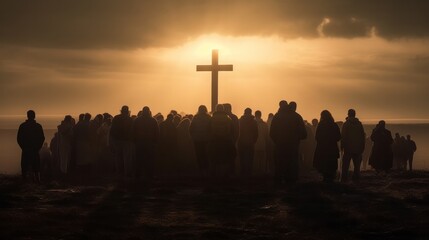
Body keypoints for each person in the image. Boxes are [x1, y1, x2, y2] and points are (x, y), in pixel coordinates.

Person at [270, 100, 307, 184]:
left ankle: (278, 181)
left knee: (279, 164)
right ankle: (291, 182)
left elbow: (271, 133)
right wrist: (296, 139)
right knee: (292, 164)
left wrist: (277, 141)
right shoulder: (297, 117)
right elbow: (304, 134)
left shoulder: (277, 116)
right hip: (293, 146)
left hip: (280, 145)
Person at [313, 110, 341, 183]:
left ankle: (325, 178)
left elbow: (316, 137)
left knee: (323, 164)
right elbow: (338, 137)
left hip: (322, 149)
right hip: (332, 148)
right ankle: (331, 178)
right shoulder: (334, 125)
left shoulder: (320, 125)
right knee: (332, 164)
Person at [17, 110, 45, 182]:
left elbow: (19, 138)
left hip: (26, 150)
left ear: (27, 116)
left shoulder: (23, 126)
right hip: (34, 149)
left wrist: (23, 147)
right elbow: (42, 138)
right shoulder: (38, 126)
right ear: (34, 116)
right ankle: (37, 181)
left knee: (25, 166)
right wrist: (38, 147)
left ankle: (24, 180)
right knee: (36, 166)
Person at [133, 106, 159, 181]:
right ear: (149, 111)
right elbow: (157, 132)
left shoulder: (137, 120)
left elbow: (133, 131)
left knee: (139, 160)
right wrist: (155, 142)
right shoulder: (153, 120)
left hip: (139, 143)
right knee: (149, 160)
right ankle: (149, 175)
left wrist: (134, 141)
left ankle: (137, 175)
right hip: (149, 143)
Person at [209, 104, 235, 178]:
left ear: (216, 109)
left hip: (215, 140)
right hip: (226, 140)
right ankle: (224, 175)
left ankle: (215, 175)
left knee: (215, 158)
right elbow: (232, 130)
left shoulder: (212, 118)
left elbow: (209, 129)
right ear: (223, 110)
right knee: (224, 158)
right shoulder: (228, 118)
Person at [340, 109, 365, 182]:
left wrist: (342, 146)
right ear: (355, 114)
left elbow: (343, 136)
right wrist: (362, 146)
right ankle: (357, 178)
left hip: (348, 148)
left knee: (345, 165)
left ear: (348, 114)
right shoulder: (359, 124)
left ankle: (344, 179)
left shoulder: (346, 124)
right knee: (357, 165)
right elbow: (362, 135)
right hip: (358, 147)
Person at [110, 106, 134, 180]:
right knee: (126, 158)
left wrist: (112, 140)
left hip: (117, 140)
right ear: (127, 111)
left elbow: (112, 130)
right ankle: (127, 173)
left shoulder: (116, 118)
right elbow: (132, 131)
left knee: (118, 157)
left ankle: (119, 172)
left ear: (121, 111)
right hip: (127, 141)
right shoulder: (130, 119)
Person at [189, 105, 212, 177]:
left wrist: (192, 137)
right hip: (207, 140)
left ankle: (201, 173)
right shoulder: (209, 118)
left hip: (197, 140)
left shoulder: (195, 118)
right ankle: (207, 172)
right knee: (206, 156)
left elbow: (191, 128)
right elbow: (211, 128)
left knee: (199, 156)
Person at [238, 108, 258, 177]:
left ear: (244, 112)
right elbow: (256, 134)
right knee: (250, 159)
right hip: (250, 143)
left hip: (241, 143)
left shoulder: (240, 121)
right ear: (251, 112)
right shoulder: (254, 122)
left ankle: (242, 173)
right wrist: (253, 141)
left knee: (242, 159)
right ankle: (249, 173)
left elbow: (238, 132)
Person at [254, 110, 269, 175]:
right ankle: (262, 173)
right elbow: (267, 135)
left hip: (254, 144)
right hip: (263, 144)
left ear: (255, 115)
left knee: (255, 160)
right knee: (262, 160)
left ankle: (256, 172)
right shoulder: (264, 125)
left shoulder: (253, 124)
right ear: (260, 115)